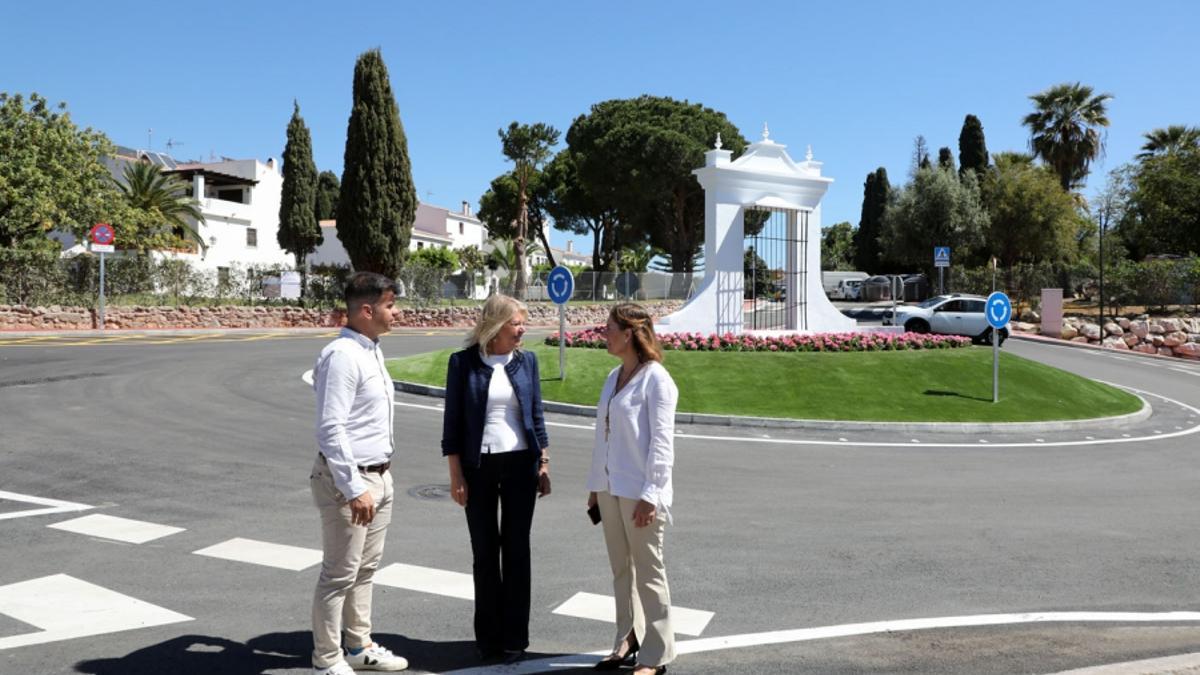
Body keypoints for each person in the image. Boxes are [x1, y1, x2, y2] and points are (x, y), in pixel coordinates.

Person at [441, 294, 551, 663]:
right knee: (485, 553)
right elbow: (452, 426)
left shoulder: (527, 362)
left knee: (517, 551)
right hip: (479, 467)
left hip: (522, 464)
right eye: (517, 323)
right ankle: (488, 638)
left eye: (523, 323)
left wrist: (544, 462)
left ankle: (515, 637)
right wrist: (456, 476)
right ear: (496, 325)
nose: (523, 329)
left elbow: (536, 415)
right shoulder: (463, 364)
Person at [309, 271, 408, 674]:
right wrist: (353, 487)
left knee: (365, 570)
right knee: (338, 575)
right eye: (389, 305)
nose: (396, 312)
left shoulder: (371, 349)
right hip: (349, 480)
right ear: (366, 310)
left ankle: (358, 645)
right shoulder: (342, 356)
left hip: (378, 476)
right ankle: (327, 659)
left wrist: (376, 482)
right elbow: (330, 428)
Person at [586, 303, 678, 675]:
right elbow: (602, 437)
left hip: (640, 492)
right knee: (621, 570)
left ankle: (657, 654)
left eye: (608, 328)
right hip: (610, 488)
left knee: (649, 571)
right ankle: (627, 638)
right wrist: (595, 486)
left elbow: (661, 444)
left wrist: (652, 494)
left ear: (629, 334)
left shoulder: (656, 379)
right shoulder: (613, 377)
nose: (602, 333)